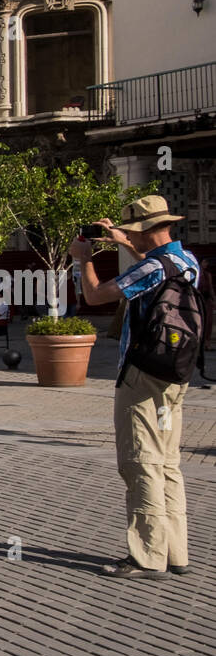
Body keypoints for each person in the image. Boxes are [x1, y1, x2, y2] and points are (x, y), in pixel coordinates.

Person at [70, 195, 200, 578]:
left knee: (140, 461)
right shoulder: (185, 261)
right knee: (169, 463)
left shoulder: (150, 271)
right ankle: (176, 551)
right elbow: (153, 262)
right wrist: (123, 241)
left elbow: (95, 296)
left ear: (143, 231)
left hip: (142, 376)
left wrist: (85, 258)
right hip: (175, 373)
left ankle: (147, 555)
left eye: (132, 232)